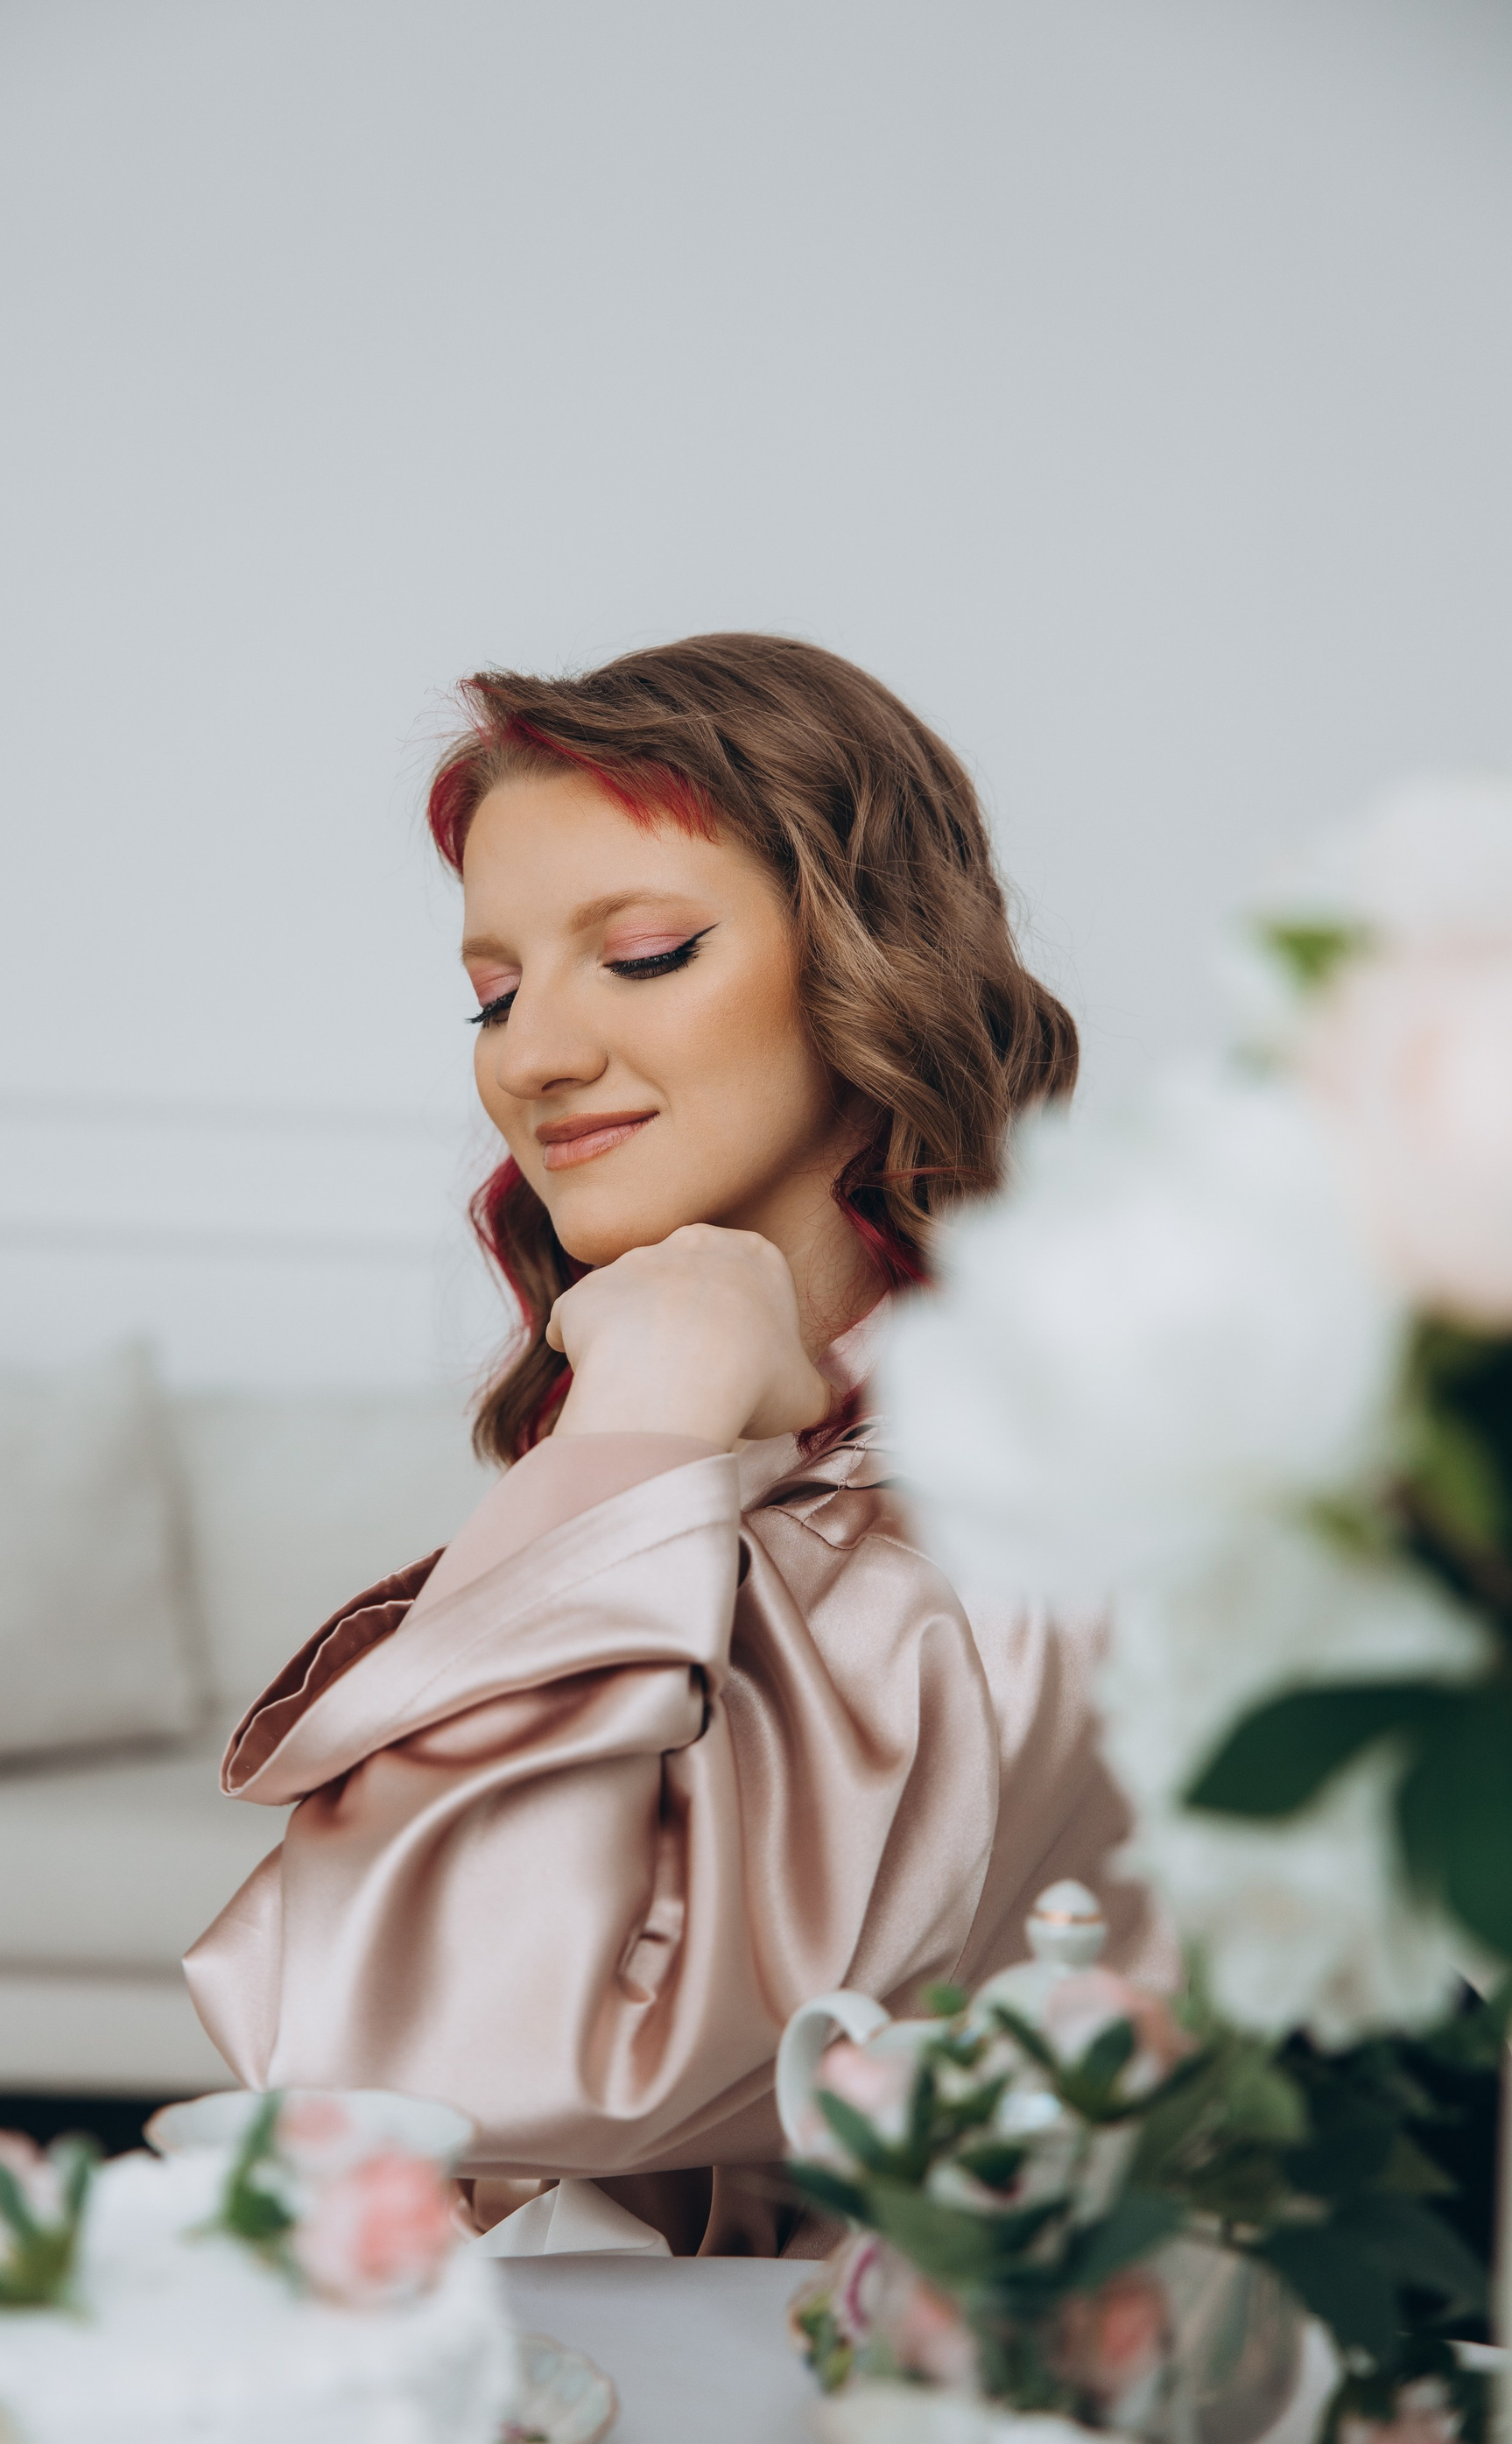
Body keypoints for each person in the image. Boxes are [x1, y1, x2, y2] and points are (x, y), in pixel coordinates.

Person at [185, 632, 1168, 2257]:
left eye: (642, 955)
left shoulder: (1005, 1525)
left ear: (874, 961)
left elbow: (420, 2074)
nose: (530, 1055)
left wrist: (639, 1422)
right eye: (495, 993)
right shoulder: (756, 1456)